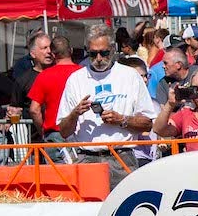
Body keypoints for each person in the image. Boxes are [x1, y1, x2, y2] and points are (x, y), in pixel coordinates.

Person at [57, 24, 156, 188]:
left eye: (104, 53)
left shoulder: (130, 76)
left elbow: (147, 123)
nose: (98, 58)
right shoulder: (76, 79)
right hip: (86, 158)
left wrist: (122, 120)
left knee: (123, 209)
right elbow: (63, 131)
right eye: (93, 54)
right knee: (88, 210)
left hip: (121, 157)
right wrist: (75, 114)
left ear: (112, 49)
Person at [27, 36, 82, 146]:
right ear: (71, 50)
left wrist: (42, 131)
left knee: (55, 164)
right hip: (80, 132)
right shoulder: (84, 73)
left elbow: (34, 109)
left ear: (52, 54)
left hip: (54, 134)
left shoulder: (44, 76)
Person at [13, 32, 55, 137]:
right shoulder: (23, 80)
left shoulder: (60, 74)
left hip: (61, 137)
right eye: (44, 48)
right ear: (33, 54)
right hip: (35, 140)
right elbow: (15, 107)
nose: (49, 51)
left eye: (50, 47)